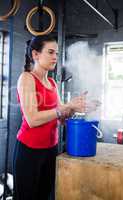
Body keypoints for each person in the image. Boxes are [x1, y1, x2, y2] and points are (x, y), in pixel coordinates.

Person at [12, 35, 88, 200]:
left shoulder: (53, 83)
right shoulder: (27, 78)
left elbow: (60, 118)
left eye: (57, 53)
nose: (55, 57)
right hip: (29, 150)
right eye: (51, 52)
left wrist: (74, 108)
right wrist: (65, 108)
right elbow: (32, 119)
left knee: (44, 196)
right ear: (35, 55)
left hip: (50, 150)